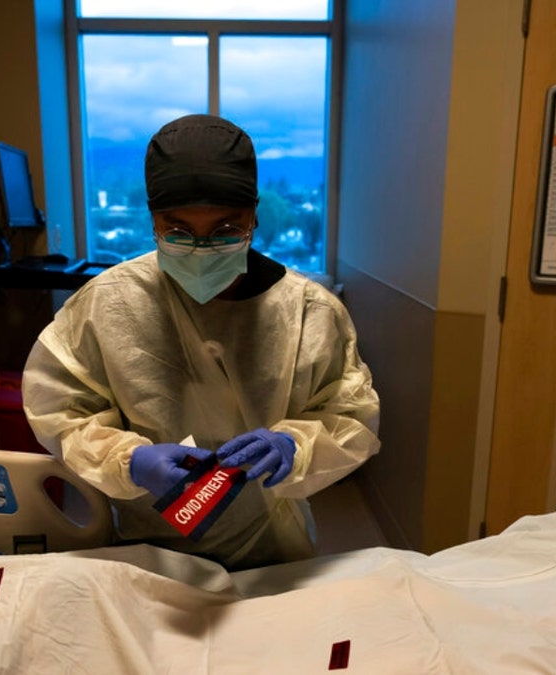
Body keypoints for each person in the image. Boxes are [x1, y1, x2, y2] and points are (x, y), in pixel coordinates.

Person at [22, 114, 380, 570]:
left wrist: (296, 446)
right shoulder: (106, 305)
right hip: (150, 550)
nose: (201, 249)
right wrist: (130, 461)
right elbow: (63, 411)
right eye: (178, 231)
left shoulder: (309, 312)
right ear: (153, 220)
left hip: (272, 548)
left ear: (254, 215)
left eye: (226, 230)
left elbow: (349, 415)